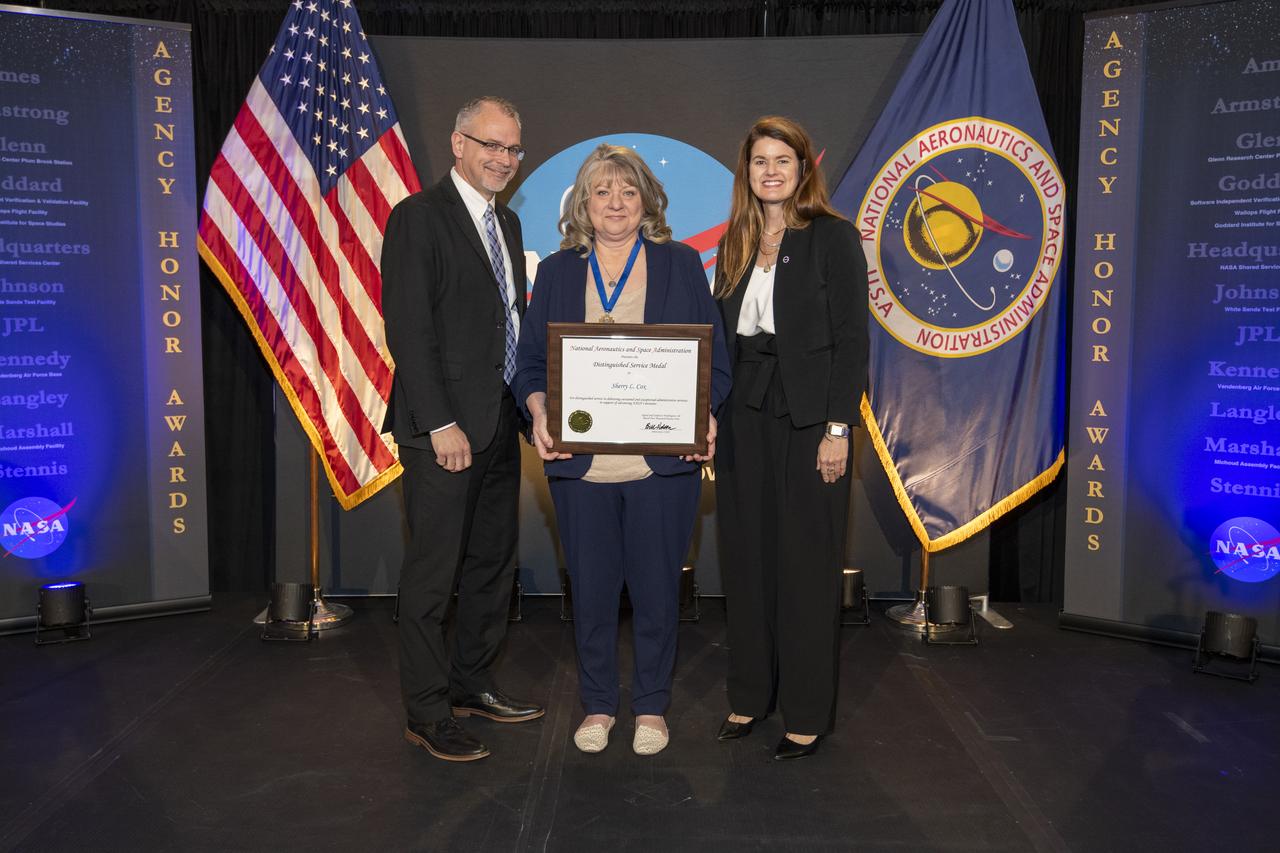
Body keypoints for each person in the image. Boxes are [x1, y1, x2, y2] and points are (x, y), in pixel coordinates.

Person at [513, 144, 730, 756]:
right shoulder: (556, 271)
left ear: (648, 203)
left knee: (660, 590)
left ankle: (653, 708)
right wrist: (537, 410)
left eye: (628, 192)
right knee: (592, 591)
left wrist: (705, 415)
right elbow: (530, 364)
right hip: (580, 466)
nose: (615, 203)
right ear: (583, 202)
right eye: (603, 192)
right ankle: (600, 704)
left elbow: (716, 361)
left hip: (663, 465)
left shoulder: (682, 264)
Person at [381, 96, 542, 763]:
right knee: (432, 576)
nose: (502, 159)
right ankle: (426, 711)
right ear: (457, 143)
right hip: (443, 430)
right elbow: (410, 332)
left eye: (513, 149)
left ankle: (471, 682)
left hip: (499, 425)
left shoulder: (503, 223)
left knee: (489, 567)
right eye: (490, 144)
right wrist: (441, 421)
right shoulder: (418, 217)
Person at [712, 116, 868, 761]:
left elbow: (852, 340)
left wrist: (838, 428)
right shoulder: (734, 241)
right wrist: (707, 419)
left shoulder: (833, 238)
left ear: (803, 168)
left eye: (783, 159)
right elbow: (718, 340)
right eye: (759, 162)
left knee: (805, 567)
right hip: (742, 413)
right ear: (746, 173)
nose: (770, 171)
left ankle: (804, 713)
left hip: (810, 421)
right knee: (746, 561)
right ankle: (750, 696)